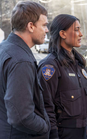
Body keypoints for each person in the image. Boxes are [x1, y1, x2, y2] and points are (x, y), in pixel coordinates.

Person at [38, 14, 87, 139]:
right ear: (63, 34)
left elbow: (83, 108)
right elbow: (46, 108)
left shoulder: (79, 64)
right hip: (63, 134)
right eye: (76, 30)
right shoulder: (50, 66)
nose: (81, 34)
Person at [0, 1, 50, 138]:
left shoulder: (4, 48)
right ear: (31, 26)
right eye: (44, 25)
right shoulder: (21, 61)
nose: (47, 30)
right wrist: (45, 127)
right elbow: (21, 117)